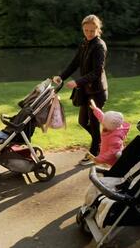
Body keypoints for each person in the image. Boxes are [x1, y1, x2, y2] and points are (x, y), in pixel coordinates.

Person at [53, 15, 108, 165]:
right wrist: (61, 77)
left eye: (92, 30)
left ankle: (95, 151)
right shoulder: (84, 43)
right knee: (83, 121)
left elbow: (97, 72)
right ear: (83, 29)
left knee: (94, 123)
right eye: (86, 30)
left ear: (98, 29)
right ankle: (104, 142)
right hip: (85, 90)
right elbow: (75, 63)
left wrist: (77, 82)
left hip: (96, 92)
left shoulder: (99, 46)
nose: (89, 33)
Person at [88, 99, 130, 166]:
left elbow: (112, 152)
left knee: (111, 169)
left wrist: (100, 158)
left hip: (112, 160)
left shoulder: (115, 138)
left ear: (110, 127)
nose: (102, 124)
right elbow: (102, 117)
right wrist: (95, 109)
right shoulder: (110, 126)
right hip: (105, 152)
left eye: (104, 124)